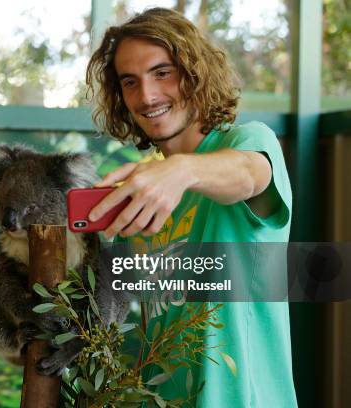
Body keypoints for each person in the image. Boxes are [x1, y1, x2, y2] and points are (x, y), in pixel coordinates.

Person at [86, 7, 297, 407]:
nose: (146, 96)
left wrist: (181, 171)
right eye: (130, 82)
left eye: (163, 72)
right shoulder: (147, 192)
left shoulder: (249, 142)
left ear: (194, 72)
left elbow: (250, 175)